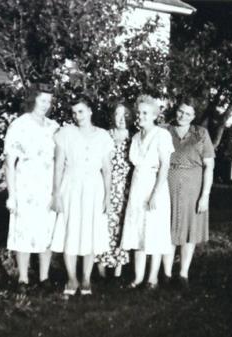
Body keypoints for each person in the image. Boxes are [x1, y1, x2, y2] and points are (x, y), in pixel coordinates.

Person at [51, 96, 113, 297]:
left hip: (94, 188)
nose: (78, 116)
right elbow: (59, 165)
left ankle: (86, 277)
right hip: (71, 186)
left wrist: (107, 196)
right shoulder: (65, 133)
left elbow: (107, 169)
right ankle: (71, 277)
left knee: (90, 230)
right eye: (75, 112)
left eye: (81, 111)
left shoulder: (103, 136)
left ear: (90, 111)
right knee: (70, 229)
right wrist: (56, 193)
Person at [4, 88, 60, 292]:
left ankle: (44, 278)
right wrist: (12, 195)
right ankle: (23, 279)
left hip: (48, 186)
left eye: (49, 101)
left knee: (46, 230)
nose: (46, 104)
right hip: (26, 185)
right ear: (33, 100)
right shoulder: (19, 125)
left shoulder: (54, 127)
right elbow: (9, 162)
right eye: (42, 100)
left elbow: (61, 158)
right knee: (24, 230)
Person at [120, 95, 174, 289]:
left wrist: (155, 194)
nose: (141, 116)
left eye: (145, 113)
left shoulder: (162, 135)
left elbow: (165, 167)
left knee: (154, 233)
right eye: (140, 112)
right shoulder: (135, 137)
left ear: (154, 115)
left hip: (154, 186)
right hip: (137, 185)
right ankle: (138, 277)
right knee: (138, 232)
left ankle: (153, 279)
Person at [162, 98, 215, 287]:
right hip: (166, 187)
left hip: (193, 189)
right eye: (180, 111)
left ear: (193, 116)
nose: (182, 116)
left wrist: (205, 195)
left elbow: (209, 166)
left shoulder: (201, 133)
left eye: (187, 113)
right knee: (167, 229)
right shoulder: (164, 130)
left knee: (189, 231)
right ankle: (166, 274)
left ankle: (183, 274)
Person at [95, 103, 132, 279]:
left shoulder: (134, 138)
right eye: (118, 114)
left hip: (126, 189)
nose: (121, 119)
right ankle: (101, 269)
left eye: (125, 115)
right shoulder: (104, 136)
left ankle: (118, 270)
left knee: (122, 227)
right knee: (104, 226)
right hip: (105, 187)